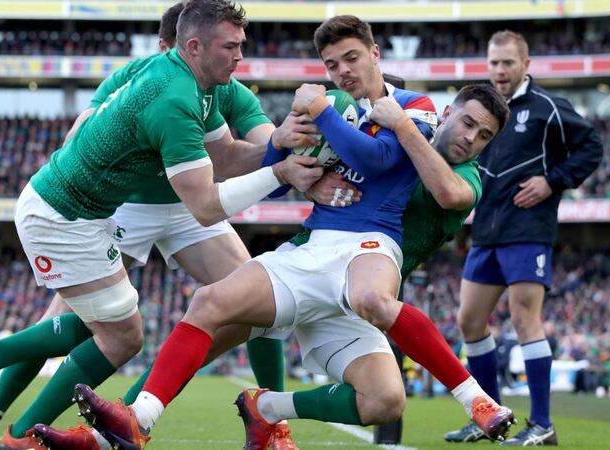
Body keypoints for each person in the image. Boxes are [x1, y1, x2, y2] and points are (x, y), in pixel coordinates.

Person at [65, 16, 516, 450]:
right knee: (210, 305)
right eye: (333, 64)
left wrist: (324, 113)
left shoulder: (415, 112)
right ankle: (128, 423)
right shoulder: (336, 105)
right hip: (312, 252)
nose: (343, 71)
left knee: (385, 394)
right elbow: (277, 179)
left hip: (369, 257)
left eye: (352, 58)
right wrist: (291, 159)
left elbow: (378, 161)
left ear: (375, 54)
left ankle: (273, 407)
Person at [0, 2, 325, 450]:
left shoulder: (219, 87)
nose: (239, 55)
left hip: (184, 204)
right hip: (123, 207)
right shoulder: (155, 83)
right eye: (230, 46)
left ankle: (257, 422)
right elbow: (80, 139)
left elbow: (248, 149)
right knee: (77, 324)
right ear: (181, 48)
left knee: (255, 299)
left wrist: (284, 142)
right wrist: (278, 172)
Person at [443, 30, 602, 446]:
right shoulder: (487, 113)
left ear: (525, 65)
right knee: (469, 321)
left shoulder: (548, 107)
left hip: (528, 229)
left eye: (508, 63)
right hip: (487, 230)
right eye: (494, 63)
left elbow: (592, 145)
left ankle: (543, 424)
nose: (499, 70)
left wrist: (552, 181)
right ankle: (490, 418)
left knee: (523, 318)